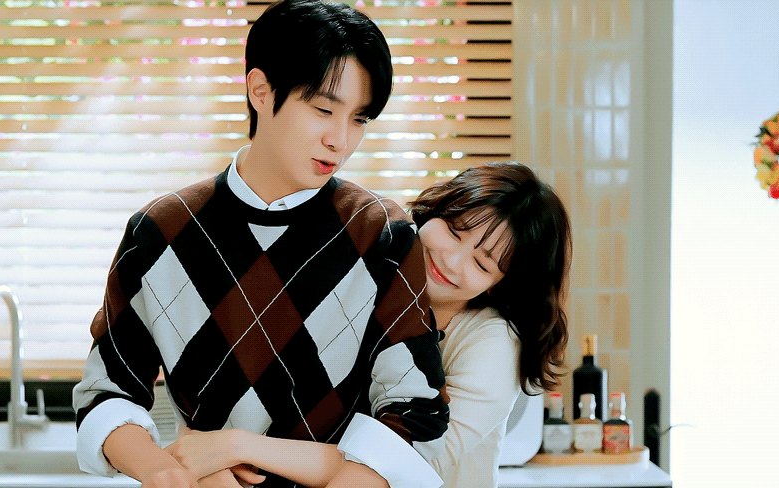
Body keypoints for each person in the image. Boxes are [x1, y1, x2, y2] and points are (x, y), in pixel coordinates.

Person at [71, 1, 448, 487]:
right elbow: (107, 394)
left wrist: (236, 449)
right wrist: (168, 471)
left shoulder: (382, 236)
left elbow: (414, 421)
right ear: (260, 91)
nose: (340, 140)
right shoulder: (160, 231)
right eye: (324, 110)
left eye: (359, 119)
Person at [167, 162, 572, 488]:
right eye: (453, 231)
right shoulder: (366, 277)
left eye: (482, 264)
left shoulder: (492, 343)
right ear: (434, 210)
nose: (451, 260)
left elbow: (405, 461)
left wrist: (240, 446)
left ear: (502, 284)